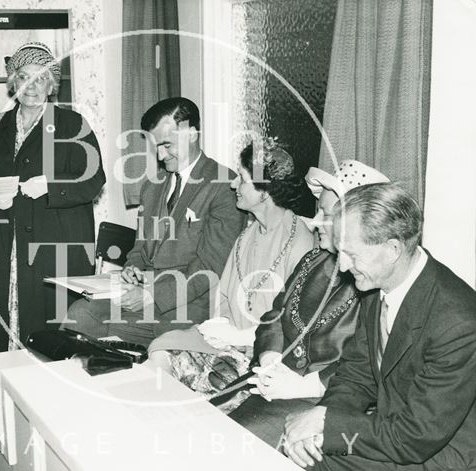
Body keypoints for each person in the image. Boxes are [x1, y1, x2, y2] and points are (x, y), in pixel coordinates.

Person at [283, 183, 476, 470]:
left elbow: (415, 437)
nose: (343, 266)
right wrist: (323, 417)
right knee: (293, 444)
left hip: (439, 454)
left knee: (304, 457)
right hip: (394, 432)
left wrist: (326, 423)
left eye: (351, 254)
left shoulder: (458, 322)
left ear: (392, 249)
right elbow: (357, 374)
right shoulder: (375, 286)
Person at [228, 160, 389, 444]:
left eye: (326, 214)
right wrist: (270, 359)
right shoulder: (312, 261)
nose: (314, 223)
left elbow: (368, 364)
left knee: (233, 442)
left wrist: (304, 385)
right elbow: (274, 316)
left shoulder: (376, 284)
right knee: (202, 418)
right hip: (274, 381)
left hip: (322, 402)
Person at [65, 97, 246, 345]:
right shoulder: (152, 186)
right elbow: (139, 247)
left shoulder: (224, 185)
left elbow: (209, 267)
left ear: (191, 134)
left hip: (189, 306)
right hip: (145, 295)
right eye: (156, 147)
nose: (161, 156)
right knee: (79, 313)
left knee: (100, 330)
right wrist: (133, 269)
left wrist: (151, 295)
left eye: (167, 145)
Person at [147, 141, 315, 404]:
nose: (233, 184)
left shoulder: (300, 242)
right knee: (161, 351)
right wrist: (221, 327)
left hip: (267, 351)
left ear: (265, 190)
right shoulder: (247, 234)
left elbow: (298, 324)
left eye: (242, 178)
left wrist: (241, 337)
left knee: (210, 382)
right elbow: (223, 299)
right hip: (228, 340)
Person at [0, 42, 106, 354]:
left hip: (54, 242)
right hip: (6, 242)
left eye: (41, 78)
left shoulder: (73, 125)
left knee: (51, 332)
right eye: (23, 77)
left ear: (52, 85)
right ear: (12, 81)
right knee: (0, 323)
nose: (32, 86)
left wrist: (51, 185)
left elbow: (94, 179)